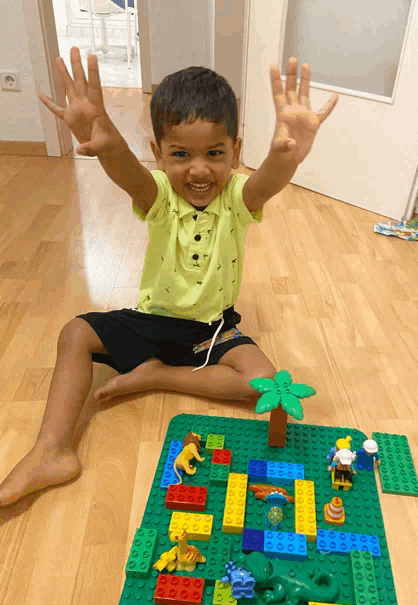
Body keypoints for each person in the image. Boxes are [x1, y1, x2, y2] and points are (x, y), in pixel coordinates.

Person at [0, 48, 338, 507]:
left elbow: (266, 184)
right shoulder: (157, 193)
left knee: (267, 384)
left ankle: (159, 375)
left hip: (210, 331)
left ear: (236, 153)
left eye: (215, 154)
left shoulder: (238, 197)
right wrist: (105, 137)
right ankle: (52, 449)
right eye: (181, 155)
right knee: (75, 333)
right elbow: (128, 173)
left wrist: (288, 157)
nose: (199, 170)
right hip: (151, 322)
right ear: (159, 154)